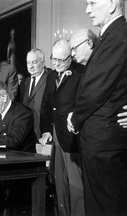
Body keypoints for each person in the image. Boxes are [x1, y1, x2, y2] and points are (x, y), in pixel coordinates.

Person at [67, 0, 127, 215]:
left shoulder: (117, 36)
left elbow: (96, 87)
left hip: (104, 142)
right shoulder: (110, 36)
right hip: (101, 141)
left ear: (111, 4)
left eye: (92, 2)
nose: (87, 9)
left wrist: (74, 118)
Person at [39, 39, 84, 216]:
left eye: (61, 60)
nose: (56, 63)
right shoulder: (51, 75)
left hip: (72, 136)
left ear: (70, 58)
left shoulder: (80, 74)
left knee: (75, 183)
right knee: (58, 180)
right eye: (54, 59)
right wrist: (45, 129)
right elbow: (46, 104)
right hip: (55, 134)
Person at [20, 49, 49, 140]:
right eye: (28, 63)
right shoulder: (25, 82)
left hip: (43, 132)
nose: (31, 66)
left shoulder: (50, 79)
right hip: (26, 132)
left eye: (34, 62)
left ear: (43, 62)